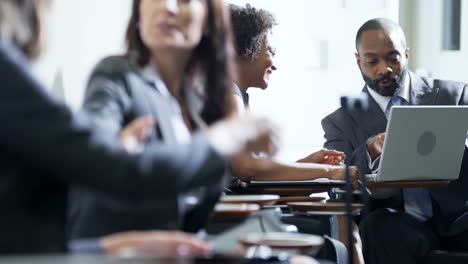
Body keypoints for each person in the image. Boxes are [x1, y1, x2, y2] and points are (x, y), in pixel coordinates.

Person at [0, 0, 277, 254]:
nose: (167, 7)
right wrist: (226, 138)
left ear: (208, 20)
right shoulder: (116, 75)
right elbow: (110, 160)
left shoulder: (200, 101)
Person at [322, 17, 468, 264]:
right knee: (379, 226)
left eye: (393, 58)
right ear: (358, 61)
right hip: (396, 223)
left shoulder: (454, 95)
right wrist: (368, 150)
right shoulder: (340, 121)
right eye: (372, 61)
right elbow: (338, 181)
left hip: (458, 218)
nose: (384, 69)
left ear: (406, 54)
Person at [227, 3, 357, 185]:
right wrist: (330, 172)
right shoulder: (229, 95)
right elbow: (248, 169)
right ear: (247, 50)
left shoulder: (235, 95)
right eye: (270, 51)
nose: (274, 65)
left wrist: (309, 164)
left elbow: (257, 172)